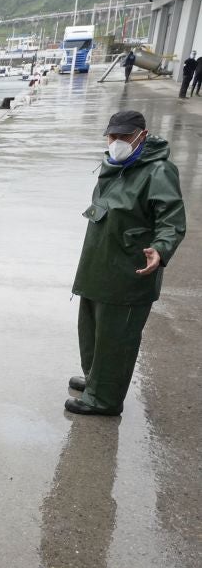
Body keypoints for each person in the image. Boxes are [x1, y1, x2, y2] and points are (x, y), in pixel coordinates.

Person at [67, 112, 185, 416]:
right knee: (92, 329)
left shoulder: (159, 171)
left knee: (116, 337)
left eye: (124, 136)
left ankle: (104, 399)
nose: (117, 142)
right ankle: (96, 381)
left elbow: (170, 219)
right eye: (112, 136)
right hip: (98, 265)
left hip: (128, 269)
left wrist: (160, 249)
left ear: (141, 135)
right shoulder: (113, 165)